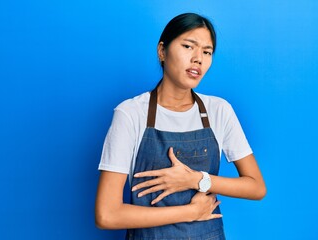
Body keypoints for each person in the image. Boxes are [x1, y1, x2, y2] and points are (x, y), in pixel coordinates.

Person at [95, 13, 266, 239]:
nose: (198, 59)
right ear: (162, 51)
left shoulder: (219, 110)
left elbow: (256, 187)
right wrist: (190, 212)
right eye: (188, 46)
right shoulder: (131, 113)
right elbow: (107, 214)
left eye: (207, 52)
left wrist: (196, 179)